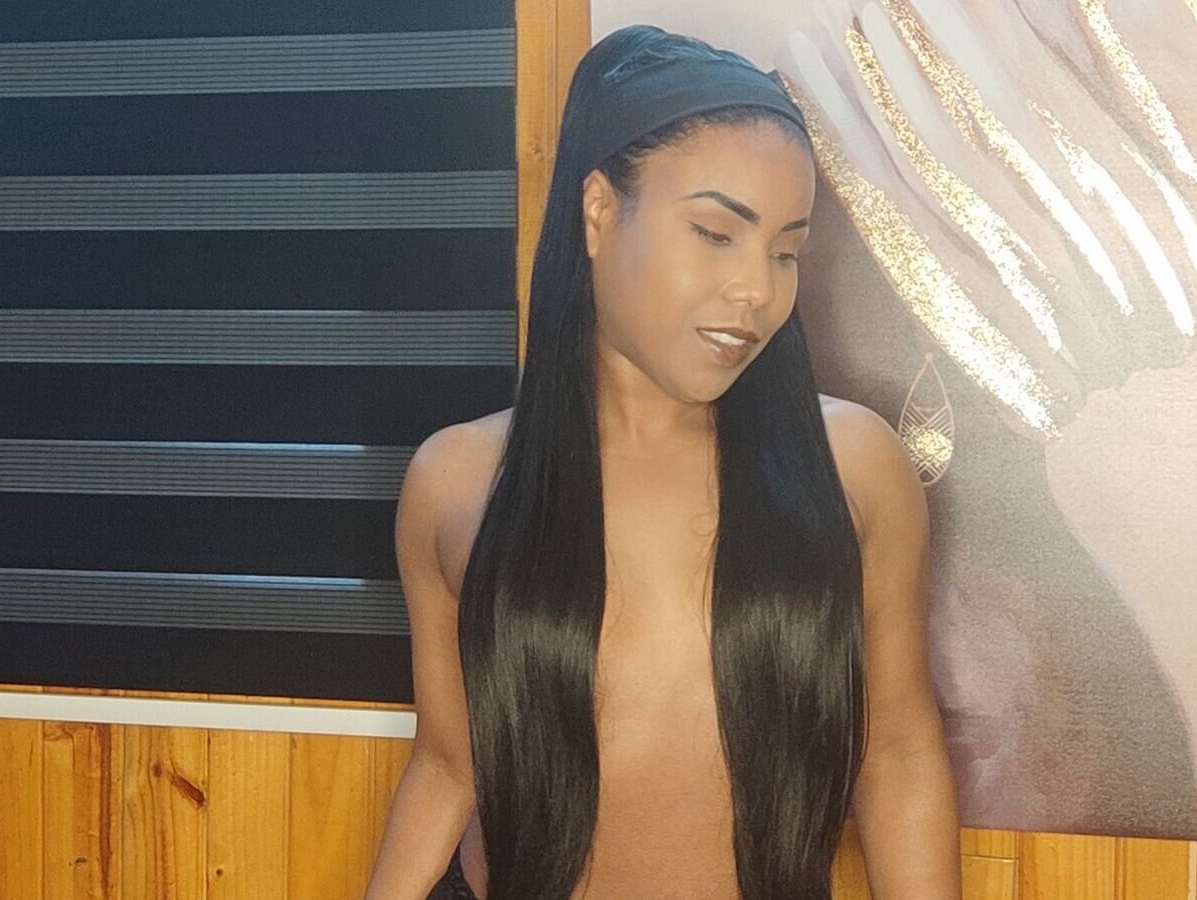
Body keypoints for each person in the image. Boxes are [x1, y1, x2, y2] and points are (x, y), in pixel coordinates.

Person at [365, 24, 960, 899]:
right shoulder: (455, 481)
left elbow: (898, 753)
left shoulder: (854, 468)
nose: (757, 289)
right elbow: (450, 765)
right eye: (716, 233)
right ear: (599, 212)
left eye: (785, 251)